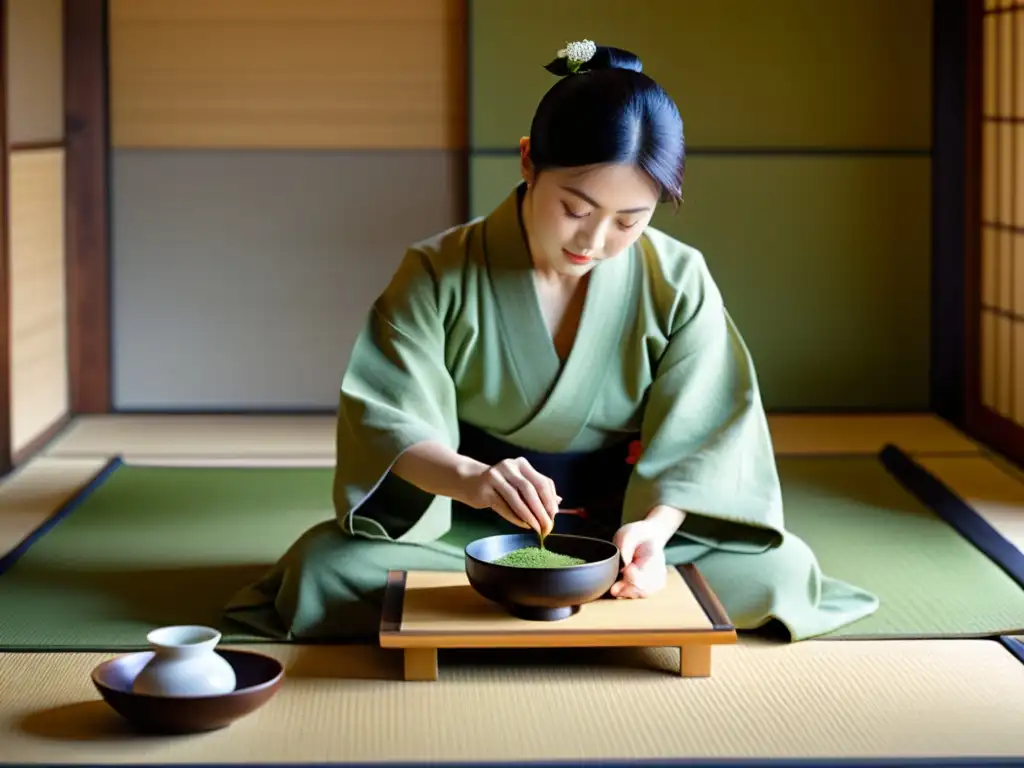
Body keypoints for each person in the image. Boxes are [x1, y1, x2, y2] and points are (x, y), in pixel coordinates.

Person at [223, 41, 879, 642]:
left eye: (629, 221)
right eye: (576, 207)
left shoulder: (677, 279)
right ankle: (599, 612)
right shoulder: (437, 271)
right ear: (529, 161)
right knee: (321, 569)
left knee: (785, 572)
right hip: (470, 528)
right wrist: (476, 480)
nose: (594, 242)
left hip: (619, 526)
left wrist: (653, 534)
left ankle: (541, 603)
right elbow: (390, 423)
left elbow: (705, 440)